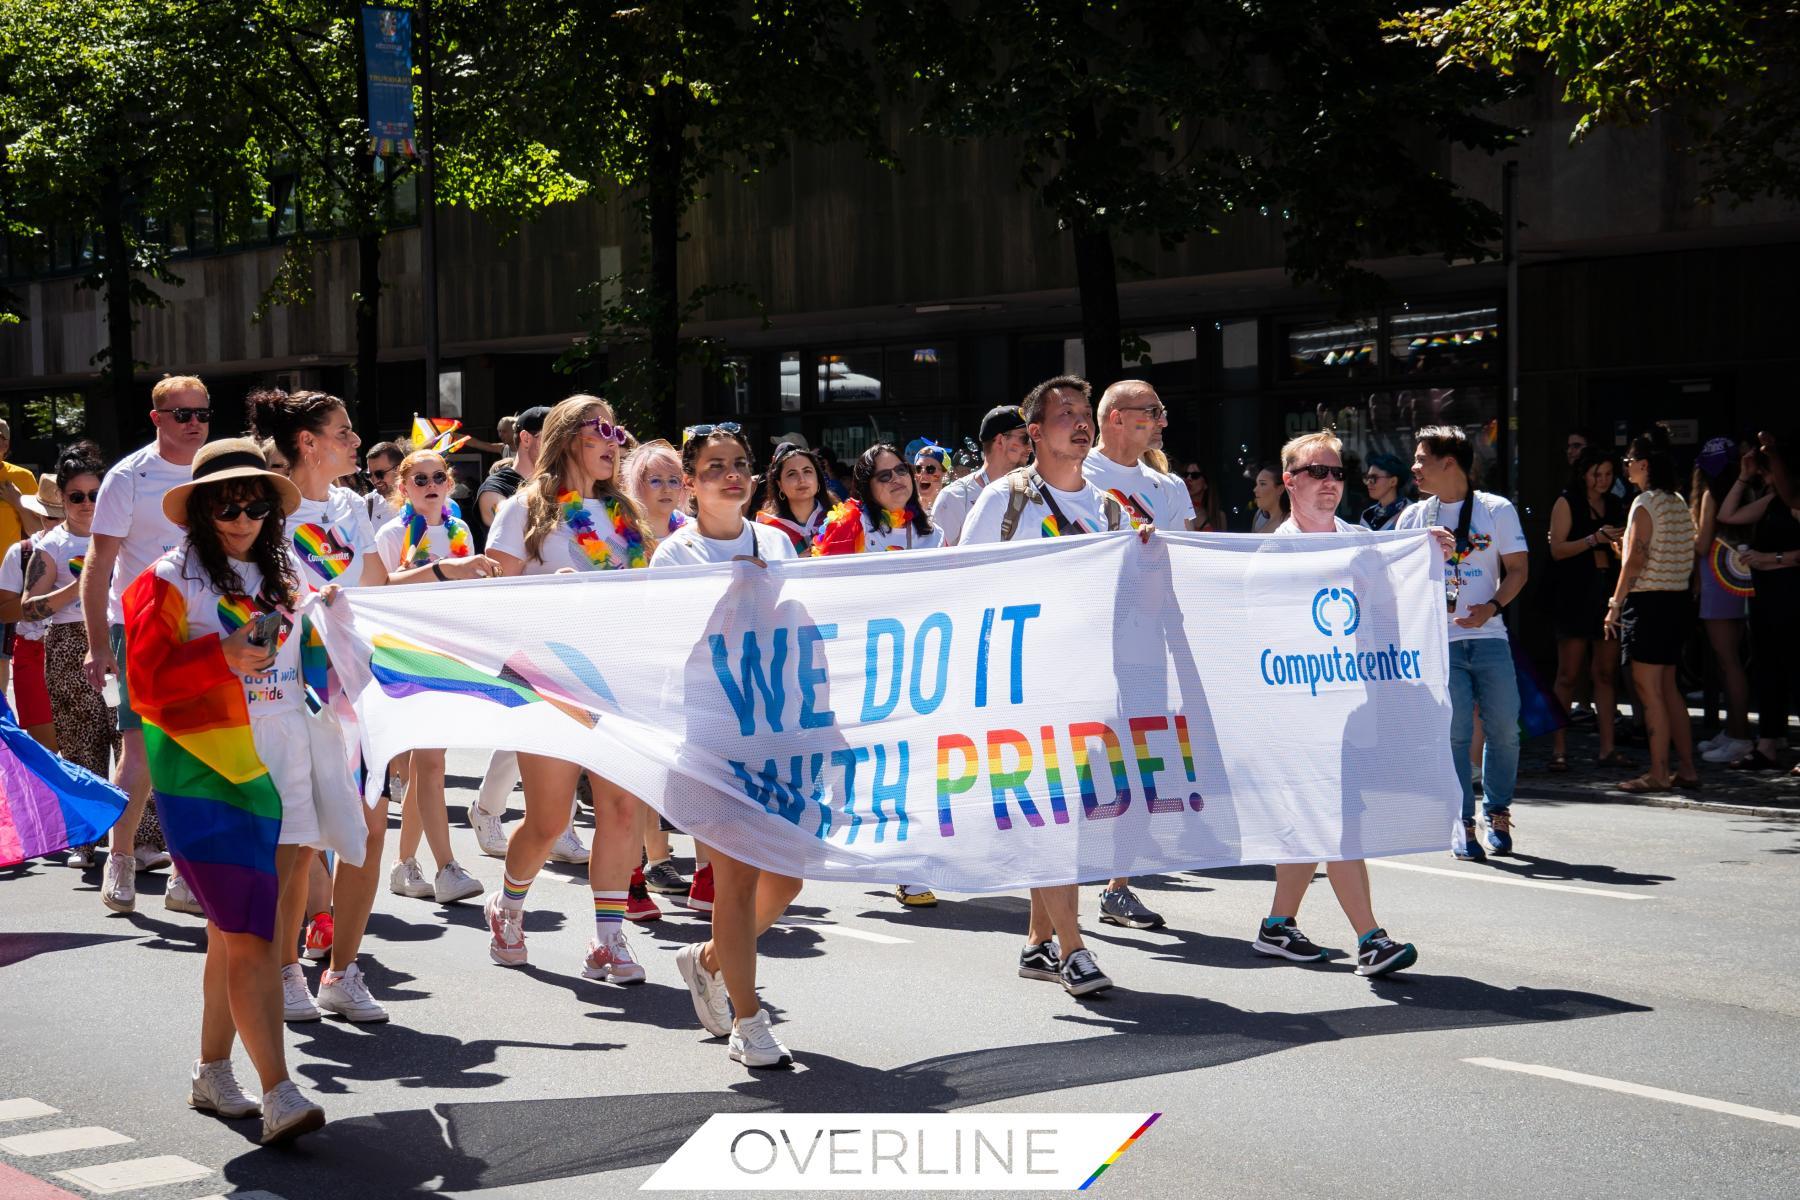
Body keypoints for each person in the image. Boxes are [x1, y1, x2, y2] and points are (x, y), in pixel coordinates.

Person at [123, 437, 349, 1144]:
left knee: (242, 926)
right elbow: (144, 682)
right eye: (225, 502)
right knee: (250, 927)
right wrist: (217, 654)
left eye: (253, 502)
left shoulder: (284, 573)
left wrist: (330, 619)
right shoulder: (166, 579)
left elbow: (310, 657)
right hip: (209, 771)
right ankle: (280, 1091)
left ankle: (211, 1071)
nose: (241, 515)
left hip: (287, 761)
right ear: (198, 508)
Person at [251, 386, 481, 1024]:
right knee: (298, 844)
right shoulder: (266, 510)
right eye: (345, 432)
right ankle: (285, 970)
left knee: (366, 835)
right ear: (309, 444)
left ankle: (341, 972)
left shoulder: (354, 509)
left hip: (356, 694)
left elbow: (376, 589)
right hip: (292, 692)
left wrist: (444, 574)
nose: (357, 442)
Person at [962, 374, 1145, 998]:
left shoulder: (1112, 508)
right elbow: (965, 587)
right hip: (1022, 687)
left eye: (1084, 411)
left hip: (1090, 684)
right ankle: (1074, 950)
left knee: (1067, 817)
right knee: (1052, 818)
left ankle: (1039, 943)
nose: (1080, 421)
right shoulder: (1004, 501)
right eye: (1064, 412)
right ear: (1034, 432)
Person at [483, 395, 657, 983]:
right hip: (547, 679)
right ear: (566, 437)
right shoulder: (523, 510)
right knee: (550, 821)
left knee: (622, 808)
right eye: (598, 429)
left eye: (618, 428)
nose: (613, 440)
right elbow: (490, 600)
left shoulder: (627, 514)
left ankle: (608, 939)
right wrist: (545, 594)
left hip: (617, 679)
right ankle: (507, 907)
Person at [652, 421, 802, 1068]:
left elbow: (803, 625)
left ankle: (710, 959)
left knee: (788, 879)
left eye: (740, 463)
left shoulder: (776, 542)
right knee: (735, 880)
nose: (731, 474)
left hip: (773, 733)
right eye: (715, 466)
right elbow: (668, 641)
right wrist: (732, 596)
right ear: (690, 483)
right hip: (707, 738)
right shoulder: (674, 556)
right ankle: (749, 1020)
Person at [1252, 431, 1418, 977]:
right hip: (1296, 714)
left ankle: (1277, 927)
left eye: (1337, 473)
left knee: (1313, 823)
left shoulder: (1360, 542)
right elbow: (1258, 640)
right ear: (1290, 481)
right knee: (1337, 820)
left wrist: (1428, 553)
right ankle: (1371, 938)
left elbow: (1391, 616)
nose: (1330, 483)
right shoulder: (1271, 554)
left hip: (1351, 708)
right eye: (1317, 472)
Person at [82, 375, 210, 917]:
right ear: (156, 418)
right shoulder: (127, 477)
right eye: (182, 414)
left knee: (201, 753)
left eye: (202, 412)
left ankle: (186, 872)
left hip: (208, 628)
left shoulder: (220, 468)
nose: (195, 423)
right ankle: (122, 855)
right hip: (140, 628)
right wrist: (95, 645)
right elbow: (98, 564)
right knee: (142, 755)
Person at [1080, 380, 1197, 930]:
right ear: (1117, 418)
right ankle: (1050, 880)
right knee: (1076, 763)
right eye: (1153, 412)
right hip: (1080, 648)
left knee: (1139, 763)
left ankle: (1117, 883)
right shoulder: (1077, 475)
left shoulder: (1167, 487)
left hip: (1146, 646)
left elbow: (1188, 563)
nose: (1162, 422)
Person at [1396, 425, 1529, 859]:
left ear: (1448, 463)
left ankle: (1499, 812)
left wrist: (1490, 607)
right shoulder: (1415, 516)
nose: (1414, 467)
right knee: (1453, 735)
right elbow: (1397, 577)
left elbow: (1519, 570)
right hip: (1441, 643)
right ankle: (1463, 821)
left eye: (1421, 459)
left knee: (1505, 730)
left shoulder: (1496, 509)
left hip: (1490, 636)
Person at [374, 447, 492, 906]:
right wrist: (431, 572)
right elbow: (376, 589)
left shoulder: (460, 529)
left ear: (449, 483)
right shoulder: (392, 532)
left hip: (450, 652)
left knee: (429, 765)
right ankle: (446, 867)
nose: (429, 486)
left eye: (437, 477)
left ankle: (405, 865)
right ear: (403, 487)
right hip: (407, 653)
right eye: (418, 479)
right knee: (430, 763)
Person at [25, 450, 122, 845]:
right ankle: (86, 838)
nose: (87, 504)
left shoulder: (122, 536)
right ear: (62, 500)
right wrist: (81, 584)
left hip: (119, 638)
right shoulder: (51, 545)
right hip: (68, 644)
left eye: (95, 494)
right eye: (76, 496)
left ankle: (143, 839)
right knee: (81, 742)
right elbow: (29, 608)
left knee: (130, 739)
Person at [1605, 433, 1699, 793]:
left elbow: (1637, 559)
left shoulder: (1644, 502)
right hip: (1675, 600)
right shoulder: (1676, 501)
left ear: (1644, 464)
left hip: (1649, 603)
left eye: (1628, 461)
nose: (1625, 467)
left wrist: (1615, 603)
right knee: (1669, 688)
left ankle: (1659, 772)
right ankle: (1686, 768)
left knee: (1650, 691)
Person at [1720, 430, 1800, 774]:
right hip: (1767, 598)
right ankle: (1767, 744)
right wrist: (1743, 476)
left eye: (1768, 469)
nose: (1764, 475)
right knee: (1768, 668)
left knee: (1796, 670)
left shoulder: (1795, 504)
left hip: (1793, 596)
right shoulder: (1771, 502)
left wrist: (1772, 559)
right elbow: (1728, 515)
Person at [1546, 447, 1628, 770]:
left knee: (1606, 673)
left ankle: (1607, 748)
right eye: (1598, 474)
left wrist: (1619, 546)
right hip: (1574, 592)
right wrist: (1594, 539)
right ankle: (1558, 750)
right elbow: (1557, 549)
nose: (1604, 481)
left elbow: (1624, 548)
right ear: (1585, 473)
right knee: (1568, 673)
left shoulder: (1615, 504)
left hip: (1606, 587)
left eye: (1609, 474)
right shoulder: (1567, 501)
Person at [1690, 439, 1755, 764]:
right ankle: (1733, 730)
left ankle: (1740, 735)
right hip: (1736, 576)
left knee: (1727, 660)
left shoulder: (1709, 494)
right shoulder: (1745, 489)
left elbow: (1701, 544)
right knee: (1732, 660)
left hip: (1717, 576)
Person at [0, 476, 59, 757]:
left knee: (85, 754)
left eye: (63, 517)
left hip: (85, 653)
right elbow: (3, 612)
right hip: (33, 654)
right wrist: (49, 601)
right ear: (38, 514)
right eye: (50, 518)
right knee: (46, 755)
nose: (58, 525)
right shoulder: (22, 553)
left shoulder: (98, 548)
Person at [813, 444, 946, 555]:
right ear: (867, 488)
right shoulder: (850, 526)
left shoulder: (935, 534)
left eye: (901, 469)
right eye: (884, 476)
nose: (896, 478)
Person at [933, 405, 1032, 546]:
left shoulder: (1033, 491)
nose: (1030, 446)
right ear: (1000, 440)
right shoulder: (955, 497)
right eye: (1025, 438)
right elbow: (938, 560)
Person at [0, 417, 42, 697]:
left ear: (8, 444)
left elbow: (39, 530)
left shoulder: (21, 478)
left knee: (1, 657)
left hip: (7, 583)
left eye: (2, 436)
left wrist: (17, 502)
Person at [755, 442, 831, 552]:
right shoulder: (767, 528)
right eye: (791, 474)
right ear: (779, 484)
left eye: (807, 471)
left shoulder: (838, 520)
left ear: (818, 478)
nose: (802, 479)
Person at [1359, 453, 1412, 530]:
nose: (1368, 483)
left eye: (1374, 478)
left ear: (1393, 481)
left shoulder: (1411, 512)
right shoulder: (1367, 515)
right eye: (1367, 478)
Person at [362, 441, 406, 530]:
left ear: (399, 468)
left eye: (379, 474)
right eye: (369, 475)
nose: (375, 480)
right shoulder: (366, 504)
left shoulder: (419, 497)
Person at [1181, 460, 1224, 533]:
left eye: (1195, 475)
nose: (1188, 479)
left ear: (1205, 484)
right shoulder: (1178, 511)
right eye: (1185, 475)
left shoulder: (1218, 516)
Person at [909, 440, 951, 511]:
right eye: (918, 468)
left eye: (930, 469)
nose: (923, 474)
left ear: (945, 475)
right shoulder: (904, 508)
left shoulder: (955, 508)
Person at [1250, 463, 1289, 533]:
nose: (1255, 490)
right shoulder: (1259, 516)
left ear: (1280, 489)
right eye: (1256, 484)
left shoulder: (1290, 525)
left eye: (1262, 484)